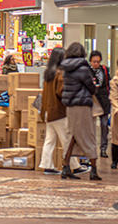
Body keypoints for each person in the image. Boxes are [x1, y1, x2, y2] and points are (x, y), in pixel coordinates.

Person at [60, 42, 101, 180]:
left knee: (71, 135)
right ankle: (94, 170)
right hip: (83, 105)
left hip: (70, 106)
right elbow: (90, 86)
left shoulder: (65, 68)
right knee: (88, 135)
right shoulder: (83, 68)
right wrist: (94, 87)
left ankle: (65, 167)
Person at [39, 47, 77, 175]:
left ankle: (47, 165)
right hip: (59, 112)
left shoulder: (48, 73)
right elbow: (61, 93)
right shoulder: (60, 74)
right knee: (66, 139)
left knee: (50, 140)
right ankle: (74, 165)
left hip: (47, 111)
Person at [89, 50, 112, 158]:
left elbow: (109, 84)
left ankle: (103, 148)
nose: (96, 64)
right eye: (94, 61)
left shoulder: (105, 70)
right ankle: (91, 148)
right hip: (92, 100)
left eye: (98, 61)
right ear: (90, 61)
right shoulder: (87, 71)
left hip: (104, 100)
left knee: (104, 125)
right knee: (91, 127)